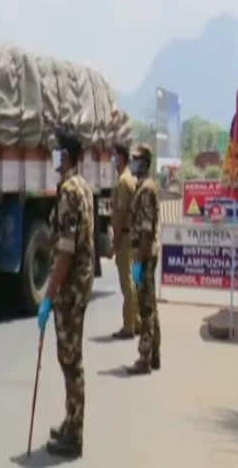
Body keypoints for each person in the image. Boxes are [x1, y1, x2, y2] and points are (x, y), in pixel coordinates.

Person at [37, 128, 94, 458]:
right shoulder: (81, 187)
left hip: (71, 288)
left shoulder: (70, 191)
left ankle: (75, 435)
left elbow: (66, 250)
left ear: (67, 156)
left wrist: (48, 294)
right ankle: (71, 421)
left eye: (57, 150)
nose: (53, 155)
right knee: (69, 358)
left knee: (70, 361)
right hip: (78, 285)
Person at [125, 144, 162, 375]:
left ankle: (144, 358)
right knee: (151, 307)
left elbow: (147, 231)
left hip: (145, 253)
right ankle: (155, 353)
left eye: (137, 160)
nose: (133, 163)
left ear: (145, 163)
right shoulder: (142, 187)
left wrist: (139, 262)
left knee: (146, 308)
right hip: (144, 252)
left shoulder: (147, 189)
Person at [110, 142, 141, 339]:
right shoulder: (131, 179)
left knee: (126, 280)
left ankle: (129, 326)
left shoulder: (123, 181)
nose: (113, 159)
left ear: (121, 158)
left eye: (114, 156)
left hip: (126, 234)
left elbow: (120, 213)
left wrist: (116, 240)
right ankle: (135, 321)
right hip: (132, 234)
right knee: (132, 279)